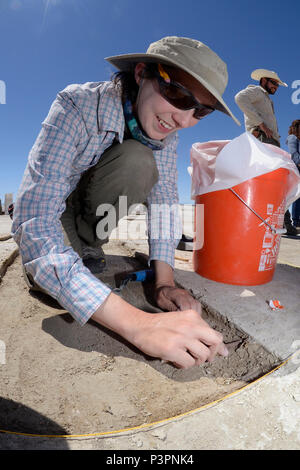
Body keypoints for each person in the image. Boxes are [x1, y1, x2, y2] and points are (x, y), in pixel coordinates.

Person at [12, 36, 240, 369]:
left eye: (200, 111)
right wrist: (139, 325)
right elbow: (34, 220)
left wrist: (163, 285)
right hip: (57, 211)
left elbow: (163, 206)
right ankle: (77, 247)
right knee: (52, 284)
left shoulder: (167, 132)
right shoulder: (76, 104)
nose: (184, 120)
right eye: (178, 94)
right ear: (141, 73)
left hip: (93, 216)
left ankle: (88, 242)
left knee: (139, 159)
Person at [235, 69, 297, 236]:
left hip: (269, 141)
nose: (276, 86)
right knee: (269, 183)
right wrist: (260, 125)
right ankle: (280, 222)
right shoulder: (256, 91)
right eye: (274, 83)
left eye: (277, 84)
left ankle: (280, 222)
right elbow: (240, 98)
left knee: (274, 183)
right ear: (264, 81)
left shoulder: (265, 98)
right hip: (263, 140)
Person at [286, 120, 300, 232]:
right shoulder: (292, 138)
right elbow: (294, 154)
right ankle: (297, 222)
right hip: (297, 169)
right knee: (297, 197)